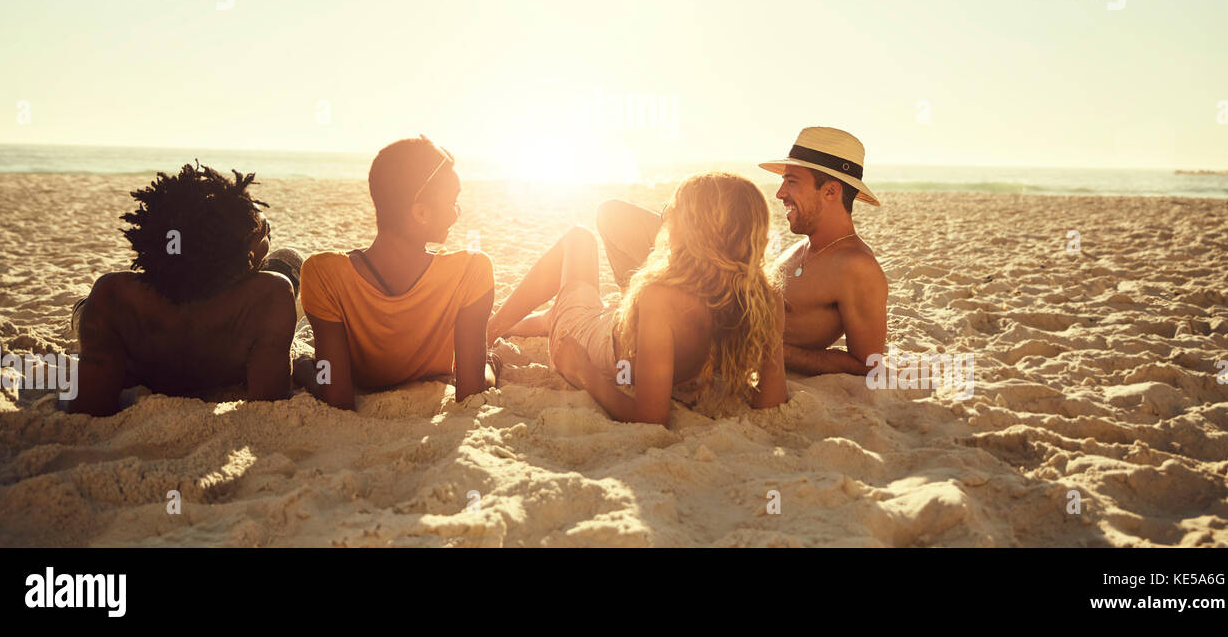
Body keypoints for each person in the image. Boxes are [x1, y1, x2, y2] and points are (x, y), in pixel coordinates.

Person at [487, 172, 787, 425]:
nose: (666, 220)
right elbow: (771, 401)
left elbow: (650, 419)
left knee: (578, 239)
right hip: (606, 324)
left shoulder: (662, 298)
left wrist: (582, 370)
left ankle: (491, 329)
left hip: (584, 337)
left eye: (672, 211)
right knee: (573, 311)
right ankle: (532, 321)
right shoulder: (765, 297)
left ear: (692, 229)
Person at [597, 127, 888, 376]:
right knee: (615, 215)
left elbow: (868, 364)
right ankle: (633, 318)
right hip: (709, 302)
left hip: (712, 337)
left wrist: (770, 351)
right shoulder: (808, 244)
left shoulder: (857, 267)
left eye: (792, 181)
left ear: (831, 192)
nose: (780, 193)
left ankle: (633, 329)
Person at [69, 162, 301, 416]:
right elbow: (269, 403)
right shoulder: (273, 294)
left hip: (148, 369)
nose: (266, 237)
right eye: (263, 233)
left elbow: (89, 407)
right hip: (223, 369)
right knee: (288, 258)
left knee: (86, 307)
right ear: (240, 250)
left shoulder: (113, 293)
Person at [293, 137, 496, 410]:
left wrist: (305, 370)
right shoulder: (471, 271)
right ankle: (494, 360)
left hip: (354, 374)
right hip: (436, 372)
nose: (457, 213)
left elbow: (334, 394)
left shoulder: (323, 273)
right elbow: (471, 390)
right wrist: (488, 365)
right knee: (486, 367)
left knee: (313, 368)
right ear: (421, 213)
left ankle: (304, 364)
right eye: (453, 202)